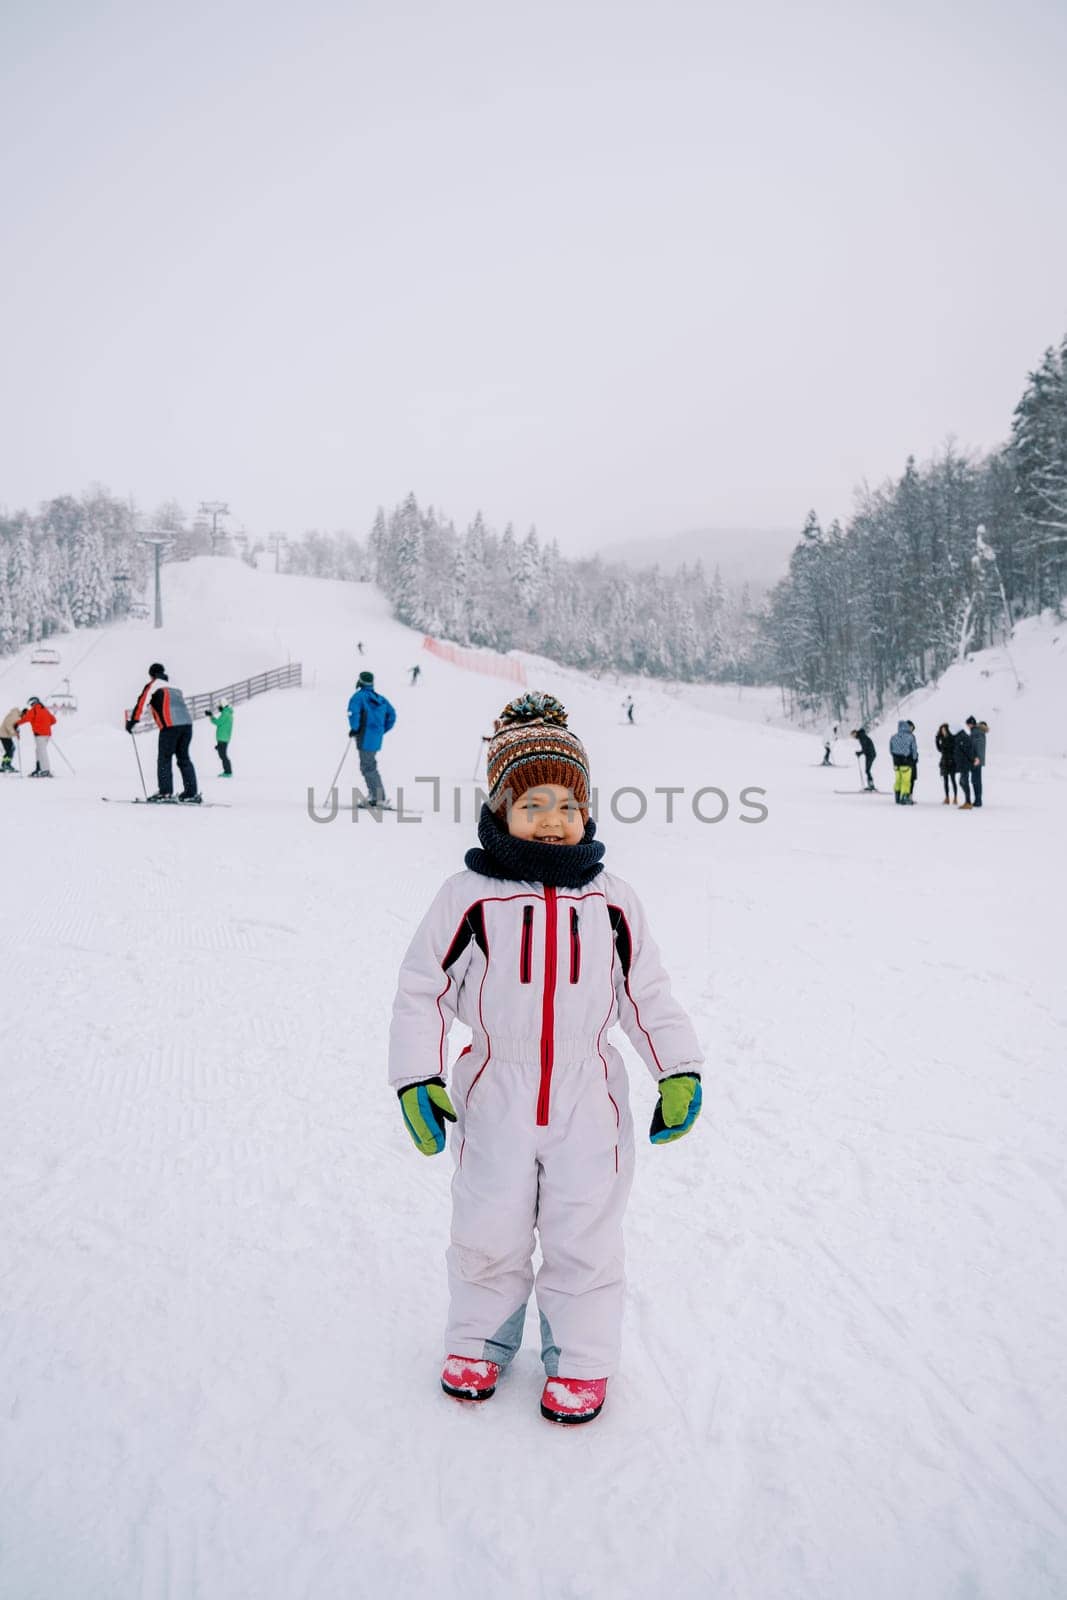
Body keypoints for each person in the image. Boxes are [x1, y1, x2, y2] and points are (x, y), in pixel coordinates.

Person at [389, 691, 703, 1426]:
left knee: (584, 1232)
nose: (552, 819)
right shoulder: (467, 897)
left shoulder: (612, 900)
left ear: (587, 812)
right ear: (500, 811)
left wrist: (679, 1068)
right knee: (486, 1225)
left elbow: (645, 992)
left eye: (567, 803)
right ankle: (479, 1339)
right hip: (494, 1094)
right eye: (531, 805)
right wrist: (415, 1077)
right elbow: (420, 989)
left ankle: (581, 1358)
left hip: (588, 1102)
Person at [126, 662, 200, 803]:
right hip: (187, 725)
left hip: (170, 726)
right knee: (184, 758)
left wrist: (132, 721)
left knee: (164, 758)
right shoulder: (175, 687)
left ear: (151, 675)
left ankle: (165, 792)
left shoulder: (154, 685)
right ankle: (191, 792)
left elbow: (142, 702)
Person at [347, 669, 396, 808]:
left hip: (364, 736)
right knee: (368, 765)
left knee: (368, 767)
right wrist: (380, 730)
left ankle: (378, 797)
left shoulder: (358, 697)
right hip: (375, 738)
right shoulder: (380, 699)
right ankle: (374, 795)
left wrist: (355, 728)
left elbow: (353, 713)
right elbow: (392, 715)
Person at [16, 697, 56, 777]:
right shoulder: (45, 710)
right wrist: (45, 725)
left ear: (33, 703)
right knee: (38, 751)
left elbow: (26, 718)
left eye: (31, 704)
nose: (30, 706)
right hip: (47, 735)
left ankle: (46, 770)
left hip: (40, 735)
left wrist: (16, 724)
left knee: (42, 752)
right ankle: (39, 768)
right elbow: (54, 720)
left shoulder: (34, 710)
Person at [888, 719, 918, 805]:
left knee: (898, 780)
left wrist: (896, 756)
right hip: (906, 762)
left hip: (896, 763)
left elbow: (890, 750)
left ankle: (897, 797)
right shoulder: (910, 736)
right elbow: (914, 750)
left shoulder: (893, 737)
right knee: (906, 781)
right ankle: (904, 797)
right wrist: (914, 758)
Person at [206, 702, 234, 776]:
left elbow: (218, 722)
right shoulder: (227, 713)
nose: (218, 708)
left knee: (223, 755)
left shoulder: (225, 714)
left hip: (223, 738)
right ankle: (227, 771)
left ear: (223, 705)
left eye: (220, 706)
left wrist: (211, 716)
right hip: (224, 738)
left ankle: (228, 772)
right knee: (222, 755)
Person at [953, 723, 976, 809]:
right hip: (962, 764)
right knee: (962, 782)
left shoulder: (962, 737)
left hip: (965, 764)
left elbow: (968, 751)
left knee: (964, 782)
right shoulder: (960, 736)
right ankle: (967, 801)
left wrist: (972, 759)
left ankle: (968, 802)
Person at [967, 716, 988, 809]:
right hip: (975, 760)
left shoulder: (977, 733)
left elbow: (979, 746)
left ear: (971, 724)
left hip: (976, 761)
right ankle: (977, 799)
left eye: (968, 724)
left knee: (976, 781)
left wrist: (977, 759)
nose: (967, 726)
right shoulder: (975, 732)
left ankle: (978, 800)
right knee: (975, 780)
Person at [935, 723, 957, 804]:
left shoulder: (952, 738)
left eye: (944, 729)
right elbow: (939, 749)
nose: (943, 731)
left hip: (951, 762)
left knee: (953, 780)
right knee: (945, 780)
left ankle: (955, 798)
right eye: (942, 730)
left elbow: (954, 749)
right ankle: (947, 798)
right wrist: (937, 740)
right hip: (944, 761)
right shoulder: (942, 739)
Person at [1, 705, 20, 772]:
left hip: (6, 735)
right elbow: (8, 725)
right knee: (10, 750)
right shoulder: (14, 716)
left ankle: (5, 764)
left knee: (10, 750)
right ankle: (6, 765)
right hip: (4, 735)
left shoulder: (15, 715)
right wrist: (14, 733)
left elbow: (11, 725)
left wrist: (16, 729)